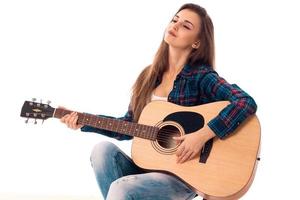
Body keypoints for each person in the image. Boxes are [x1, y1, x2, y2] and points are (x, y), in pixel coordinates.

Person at [60, 3, 257, 200]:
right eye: (175, 20)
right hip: (148, 169)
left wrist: (201, 136)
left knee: (122, 189)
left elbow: (244, 102)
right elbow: (130, 125)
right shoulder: (148, 77)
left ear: (196, 42)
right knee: (101, 151)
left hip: (183, 176)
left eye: (186, 26)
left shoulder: (201, 76)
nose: (176, 25)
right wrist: (83, 121)